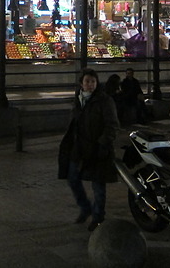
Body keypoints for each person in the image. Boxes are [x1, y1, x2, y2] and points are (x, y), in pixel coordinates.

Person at [58, 69, 119, 232]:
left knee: (98, 185)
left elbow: (112, 125)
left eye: (93, 81)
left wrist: (102, 143)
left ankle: (98, 216)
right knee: (72, 177)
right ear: (81, 84)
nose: (90, 84)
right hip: (79, 147)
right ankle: (85, 208)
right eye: (87, 81)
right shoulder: (78, 100)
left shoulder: (104, 101)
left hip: (97, 147)